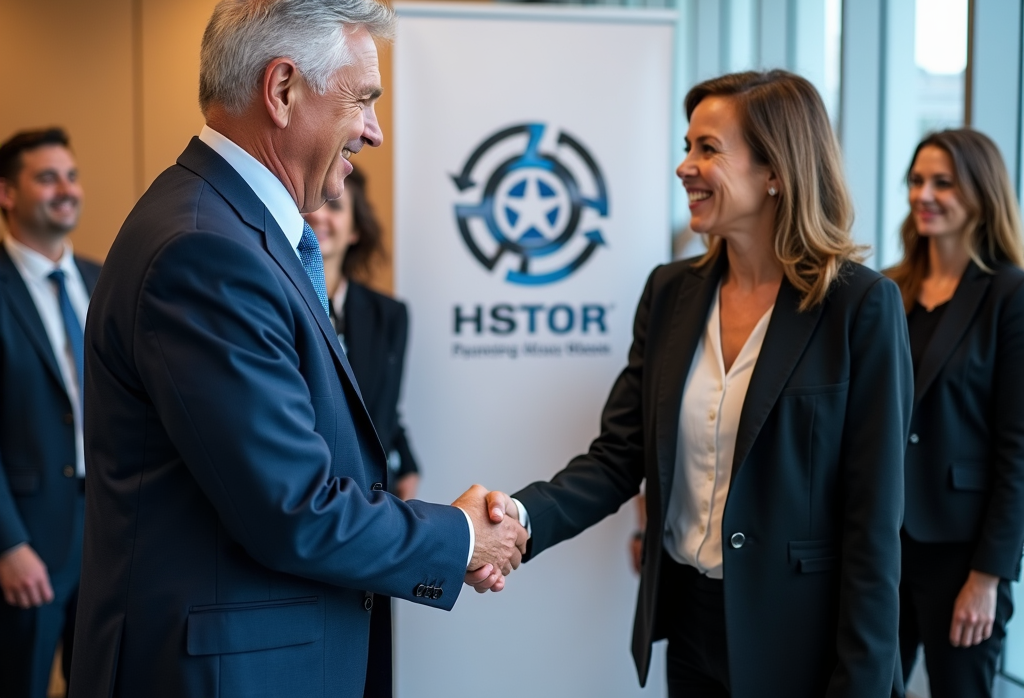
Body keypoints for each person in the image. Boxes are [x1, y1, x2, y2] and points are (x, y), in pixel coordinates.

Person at [69, 0, 524, 698]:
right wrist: (461, 535)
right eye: (363, 101)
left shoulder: (229, 231)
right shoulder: (206, 251)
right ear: (282, 90)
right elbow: (293, 508)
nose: (374, 131)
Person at [490, 70, 913, 697]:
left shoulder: (860, 306)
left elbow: (873, 521)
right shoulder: (670, 293)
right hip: (689, 624)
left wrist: (865, 679)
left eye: (708, 149)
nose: (685, 167)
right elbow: (616, 458)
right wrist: (518, 516)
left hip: (805, 638)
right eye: (686, 147)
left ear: (776, 170)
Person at [886, 129, 1024, 698]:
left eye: (943, 182)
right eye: (917, 181)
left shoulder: (1009, 296)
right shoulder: (888, 291)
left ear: (980, 193)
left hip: (961, 555)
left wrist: (988, 576)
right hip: (881, 544)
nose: (924, 194)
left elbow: (1018, 451)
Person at [0, 128, 100, 697]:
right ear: (7, 194)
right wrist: (7, 544)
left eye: (71, 175)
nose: (66, 189)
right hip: (28, 541)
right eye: (46, 178)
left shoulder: (102, 278)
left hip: (110, 530)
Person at [304, 164, 420, 501]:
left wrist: (408, 463)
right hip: (304, 493)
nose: (318, 216)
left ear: (355, 230)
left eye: (335, 206)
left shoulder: (391, 315)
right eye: (310, 205)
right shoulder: (273, 302)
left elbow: (384, 408)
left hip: (371, 497)